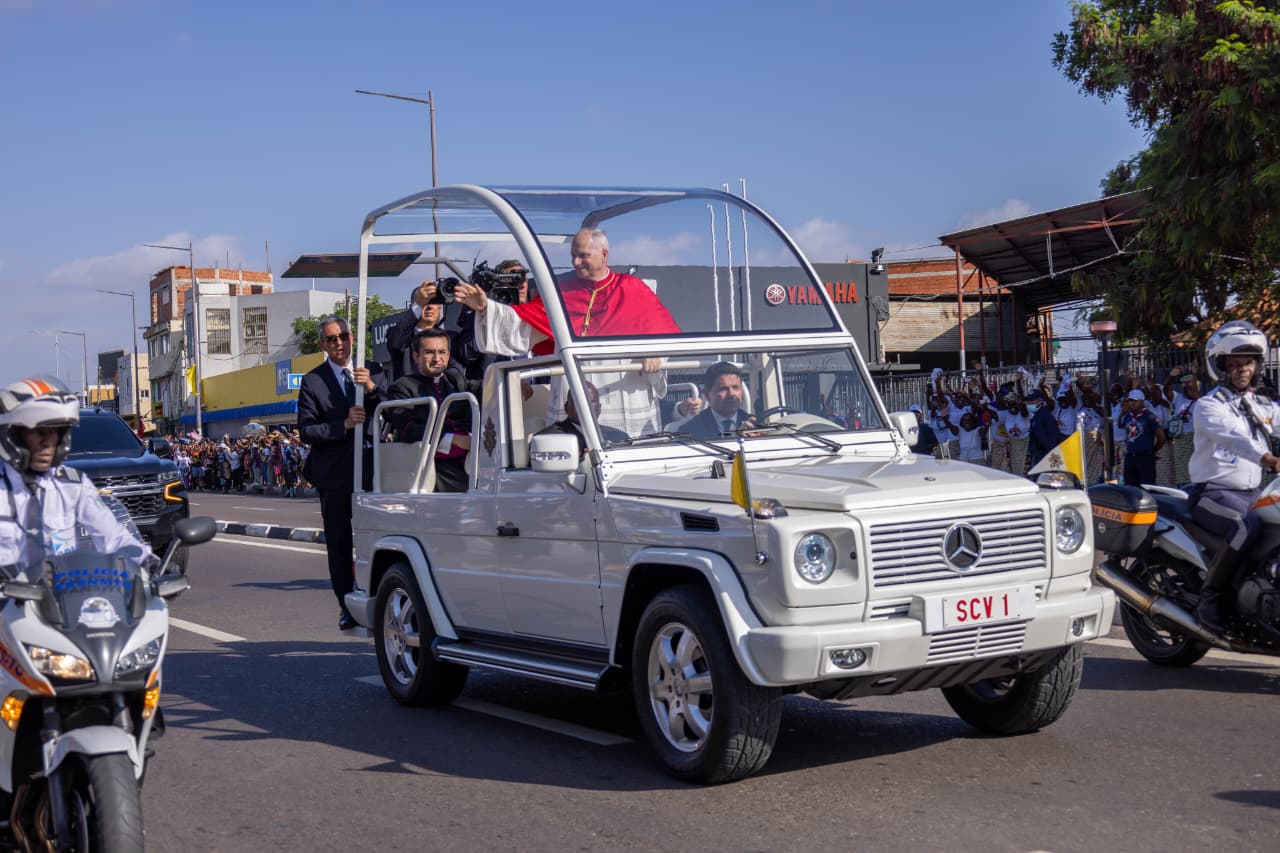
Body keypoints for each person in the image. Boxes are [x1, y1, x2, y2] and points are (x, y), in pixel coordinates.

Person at [454, 228, 682, 436]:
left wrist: (654, 352)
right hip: (571, 392)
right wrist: (485, 308)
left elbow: (663, 333)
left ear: (604, 255)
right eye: (573, 255)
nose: (576, 262)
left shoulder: (632, 288)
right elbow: (522, 324)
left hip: (623, 389)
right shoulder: (560, 294)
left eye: (583, 256)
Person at [0, 375, 151, 572]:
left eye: (55, 432)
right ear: (13, 435)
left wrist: (147, 564)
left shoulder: (73, 485)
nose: (48, 442)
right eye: (39, 431)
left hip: (61, 596)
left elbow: (113, 536)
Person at [1187, 321, 1280, 631]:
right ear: (1222, 367)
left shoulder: (1263, 405)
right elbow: (1233, 438)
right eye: (1236, 364)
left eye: (1248, 363)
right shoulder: (1208, 406)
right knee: (1248, 525)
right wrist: (1266, 457)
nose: (1243, 370)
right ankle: (1210, 598)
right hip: (1213, 494)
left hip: (1254, 493)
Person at [297, 316, 384, 631]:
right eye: (331, 339)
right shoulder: (313, 381)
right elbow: (307, 430)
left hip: (373, 470)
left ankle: (376, 597)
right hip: (334, 475)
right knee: (339, 543)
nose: (338, 343)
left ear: (352, 337)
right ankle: (346, 603)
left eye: (343, 336)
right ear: (322, 344)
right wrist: (343, 425)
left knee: (377, 539)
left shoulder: (373, 370)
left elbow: (395, 409)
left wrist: (372, 388)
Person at [385, 327, 481, 493]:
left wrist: (509, 383)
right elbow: (409, 429)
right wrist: (453, 439)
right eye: (429, 352)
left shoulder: (455, 379)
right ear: (416, 356)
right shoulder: (402, 388)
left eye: (442, 352)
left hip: (469, 459)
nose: (437, 358)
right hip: (432, 464)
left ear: (448, 355)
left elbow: (482, 387)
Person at [384, 280, 446, 383]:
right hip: (412, 397)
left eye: (434, 302)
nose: (429, 306)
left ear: (439, 308)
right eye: (425, 302)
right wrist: (418, 305)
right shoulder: (403, 339)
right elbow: (395, 342)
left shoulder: (450, 338)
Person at [537, 381, 628, 451]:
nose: (584, 406)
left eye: (591, 401)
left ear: (599, 408)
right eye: (577, 400)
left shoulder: (620, 438)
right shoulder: (546, 440)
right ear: (566, 407)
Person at [679, 362, 757, 439]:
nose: (732, 394)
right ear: (707, 395)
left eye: (735, 387)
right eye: (723, 389)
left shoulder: (754, 425)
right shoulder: (690, 431)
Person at [1117, 389, 1165, 487]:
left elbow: (1161, 437)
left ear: (1142, 401)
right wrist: (1122, 413)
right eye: (1130, 400)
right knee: (1130, 488)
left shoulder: (1149, 416)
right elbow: (1120, 424)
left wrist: (1153, 451)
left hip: (1145, 457)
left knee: (1147, 487)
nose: (1132, 403)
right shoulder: (1128, 416)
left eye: (1135, 401)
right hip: (1130, 456)